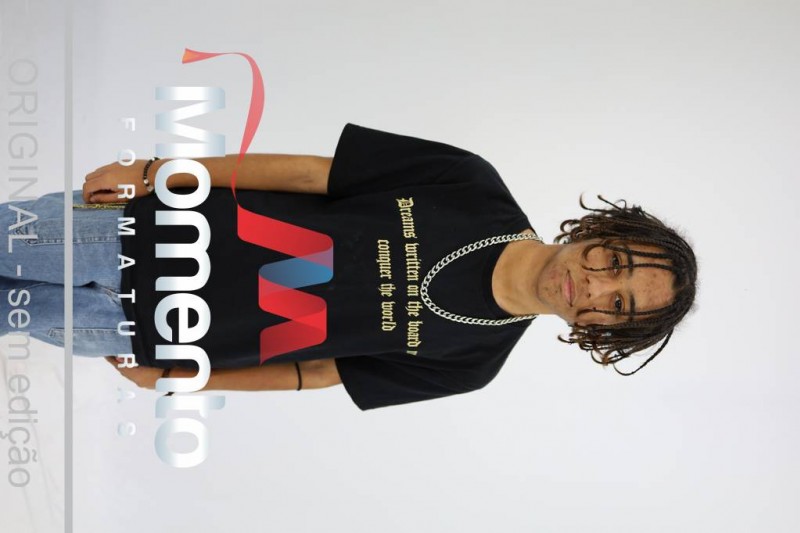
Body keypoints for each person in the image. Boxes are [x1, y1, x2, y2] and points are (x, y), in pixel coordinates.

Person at [1, 124, 696, 410]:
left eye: (619, 304)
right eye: (613, 261)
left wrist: (186, 379)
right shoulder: (470, 183)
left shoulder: (473, 363)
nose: (595, 284)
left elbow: (319, 372)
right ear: (601, 231)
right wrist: (159, 170)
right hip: (140, 231)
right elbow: (309, 174)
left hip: (148, 330)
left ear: (606, 332)